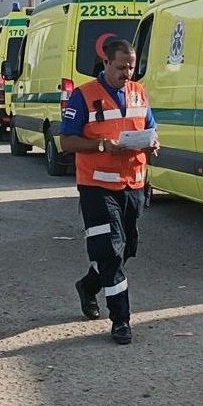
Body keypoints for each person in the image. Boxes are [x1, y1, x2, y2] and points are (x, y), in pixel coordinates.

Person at [60, 38, 159, 345]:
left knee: (126, 248)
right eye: (120, 67)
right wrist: (102, 144)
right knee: (110, 253)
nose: (126, 73)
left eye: (131, 67)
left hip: (133, 184)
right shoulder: (83, 95)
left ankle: (89, 286)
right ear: (106, 62)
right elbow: (66, 142)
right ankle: (121, 320)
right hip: (97, 187)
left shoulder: (138, 92)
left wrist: (154, 142)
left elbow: (151, 128)